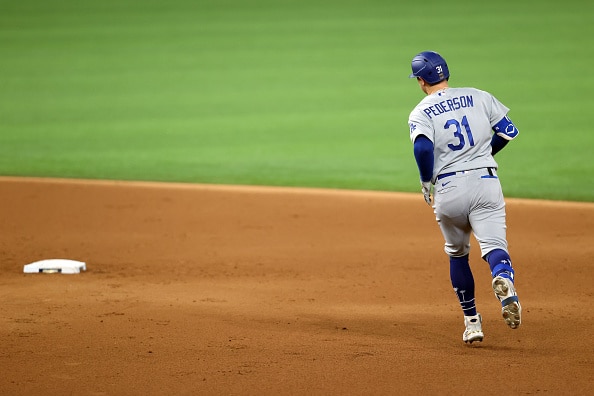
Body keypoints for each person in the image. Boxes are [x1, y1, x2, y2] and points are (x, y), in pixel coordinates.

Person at [407, 50, 522, 344]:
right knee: (494, 245)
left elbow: (422, 149)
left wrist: (424, 180)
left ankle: (472, 322)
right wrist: (482, 154)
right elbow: (509, 131)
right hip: (485, 181)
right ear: (446, 73)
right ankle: (503, 278)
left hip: (449, 190)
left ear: (421, 80)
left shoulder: (421, 111)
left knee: (457, 252)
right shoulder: (479, 96)